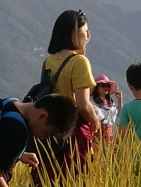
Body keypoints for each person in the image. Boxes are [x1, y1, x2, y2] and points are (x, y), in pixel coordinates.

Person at [31, 10, 102, 171]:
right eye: (86, 32)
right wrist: (95, 122)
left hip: (52, 131)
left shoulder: (49, 61)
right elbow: (83, 104)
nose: (88, 36)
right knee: (75, 182)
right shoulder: (79, 62)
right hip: (73, 130)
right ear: (75, 34)